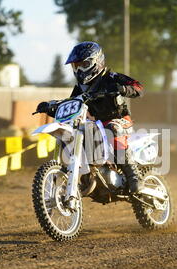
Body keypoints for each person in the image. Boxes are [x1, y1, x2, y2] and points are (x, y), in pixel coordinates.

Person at [36, 41, 144, 193]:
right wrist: (52, 108)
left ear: (97, 61)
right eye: (76, 66)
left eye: (84, 64)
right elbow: (72, 104)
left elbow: (138, 87)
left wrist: (122, 88)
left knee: (113, 128)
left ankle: (133, 175)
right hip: (97, 123)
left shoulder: (111, 77)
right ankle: (87, 173)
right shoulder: (80, 88)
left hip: (120, 120)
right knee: (79, 131)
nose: (79, 69)